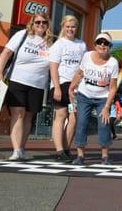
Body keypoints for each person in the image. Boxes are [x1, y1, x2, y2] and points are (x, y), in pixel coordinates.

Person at [0, 12, 52, 161]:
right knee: (18, 113)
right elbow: (6, 53)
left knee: (28, 116)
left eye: (44, 22)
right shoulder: (23, 35)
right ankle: (15, 150)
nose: (40, 25)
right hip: (17, 80)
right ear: (32, 23)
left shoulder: (50, 43)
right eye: (37, 22)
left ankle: (21, 148)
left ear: (48, 25)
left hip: (38, 84)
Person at [68, 32, 119, 165]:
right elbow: (80, 73)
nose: (102, 45)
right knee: (82, 123)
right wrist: (71, 87)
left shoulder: (113, 63)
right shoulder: (87, 56)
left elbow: (113, 87)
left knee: (104, 123)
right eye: (100, 42)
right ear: (95, 45)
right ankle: (80, 155)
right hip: (84, 95)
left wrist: (107, 107)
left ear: (110, 46)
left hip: (103, 97)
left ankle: (105, 156)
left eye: (106, 43)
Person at [49, 15, 86, 161]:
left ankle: (66, 148)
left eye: (73, 27)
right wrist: (57, 87)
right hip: (61, 85)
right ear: (63, 27)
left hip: (75, 87)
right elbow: (53, 68)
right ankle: (59, 150)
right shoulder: (58, 44)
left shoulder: (81, 45)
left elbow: (83, 67)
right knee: (61, 115)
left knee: (73, 117)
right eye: (68, 26)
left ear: (76, 28)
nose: (70, 29)